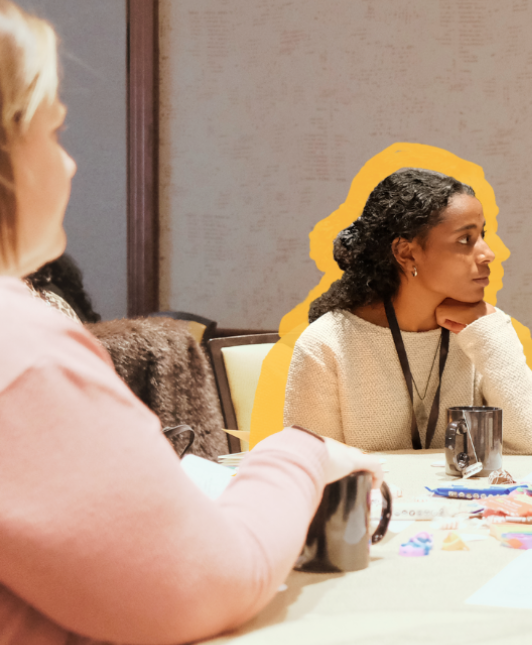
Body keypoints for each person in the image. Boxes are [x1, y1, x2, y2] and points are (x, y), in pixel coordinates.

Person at [0, 3, 382, 644]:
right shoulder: (25, 351)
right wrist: (301, 452)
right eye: (55, 133)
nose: (70, 166)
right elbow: (203, 584)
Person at [285, 168, 532, 453]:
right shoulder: (326, 343)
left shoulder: (482, 329)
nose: (488, 253)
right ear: (406, 252)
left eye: (482, 236)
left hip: (464, 498)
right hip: (376, 498)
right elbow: (310, 465)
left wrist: (488, 329)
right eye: (465, 240)